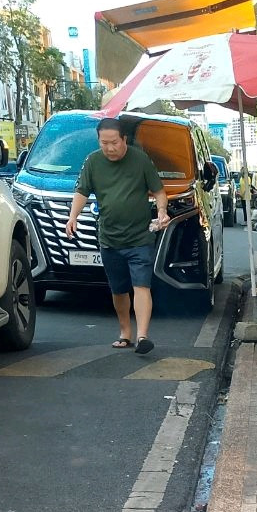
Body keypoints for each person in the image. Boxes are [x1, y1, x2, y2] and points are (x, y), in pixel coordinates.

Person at [66, 117, 169, 355]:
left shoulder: (140, 160)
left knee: (141, 285)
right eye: (104, 143)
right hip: (110, 238)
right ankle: (125, 332)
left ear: (124, 139)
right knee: (119, 289)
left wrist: (162, 211)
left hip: (140, 237)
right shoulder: (93, 162)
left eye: (114, 142)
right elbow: (82, 191)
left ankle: (142, 336)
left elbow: (159, 191)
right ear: (98, 141)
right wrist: (73, 217)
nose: (110, 148)